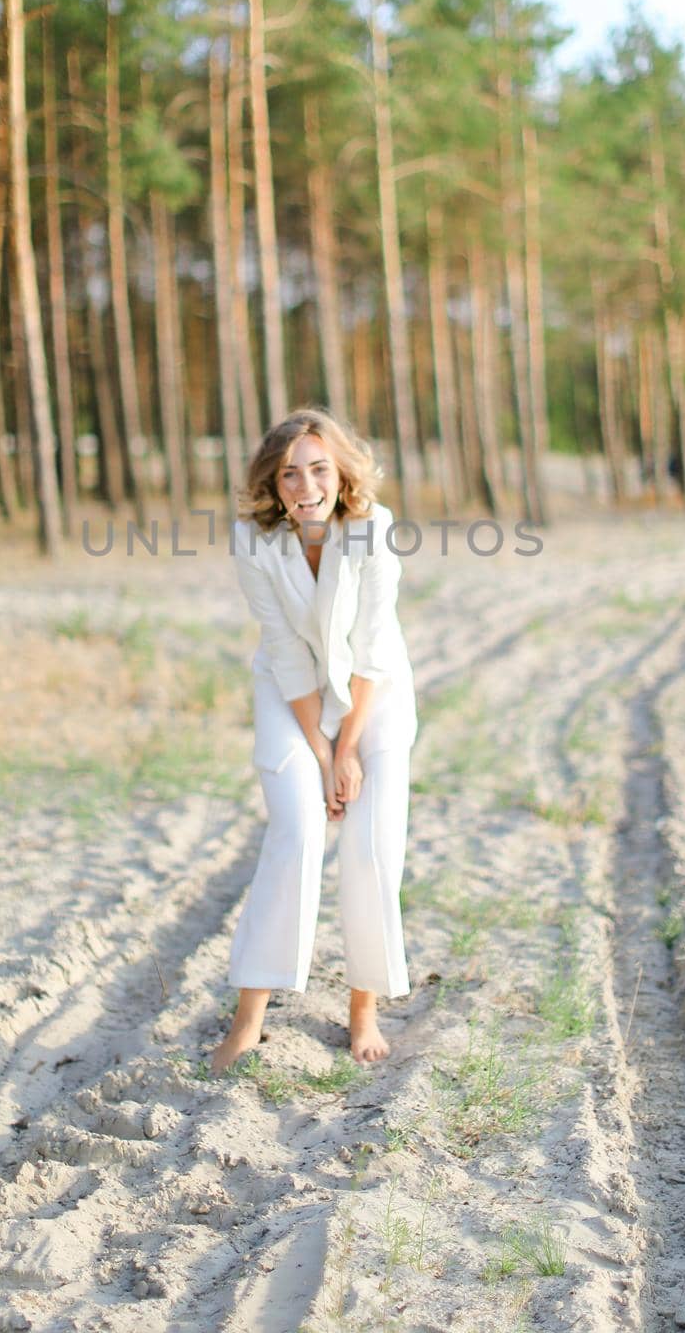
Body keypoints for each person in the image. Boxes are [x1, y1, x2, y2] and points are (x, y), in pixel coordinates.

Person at [210, 407, 418, 1075]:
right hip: (290, 692)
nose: (306, 486)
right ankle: (248, 1022)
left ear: (341, 472)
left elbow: (373, 648)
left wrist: (350, 746)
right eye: (290, 474)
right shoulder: (254, 540)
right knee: (296, 833)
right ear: (273, 484)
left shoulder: (371, 529)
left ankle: (362, 1008)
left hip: (372, 693)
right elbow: (285, 654)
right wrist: (324, 756)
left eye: (319, 469)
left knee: (370, 843)